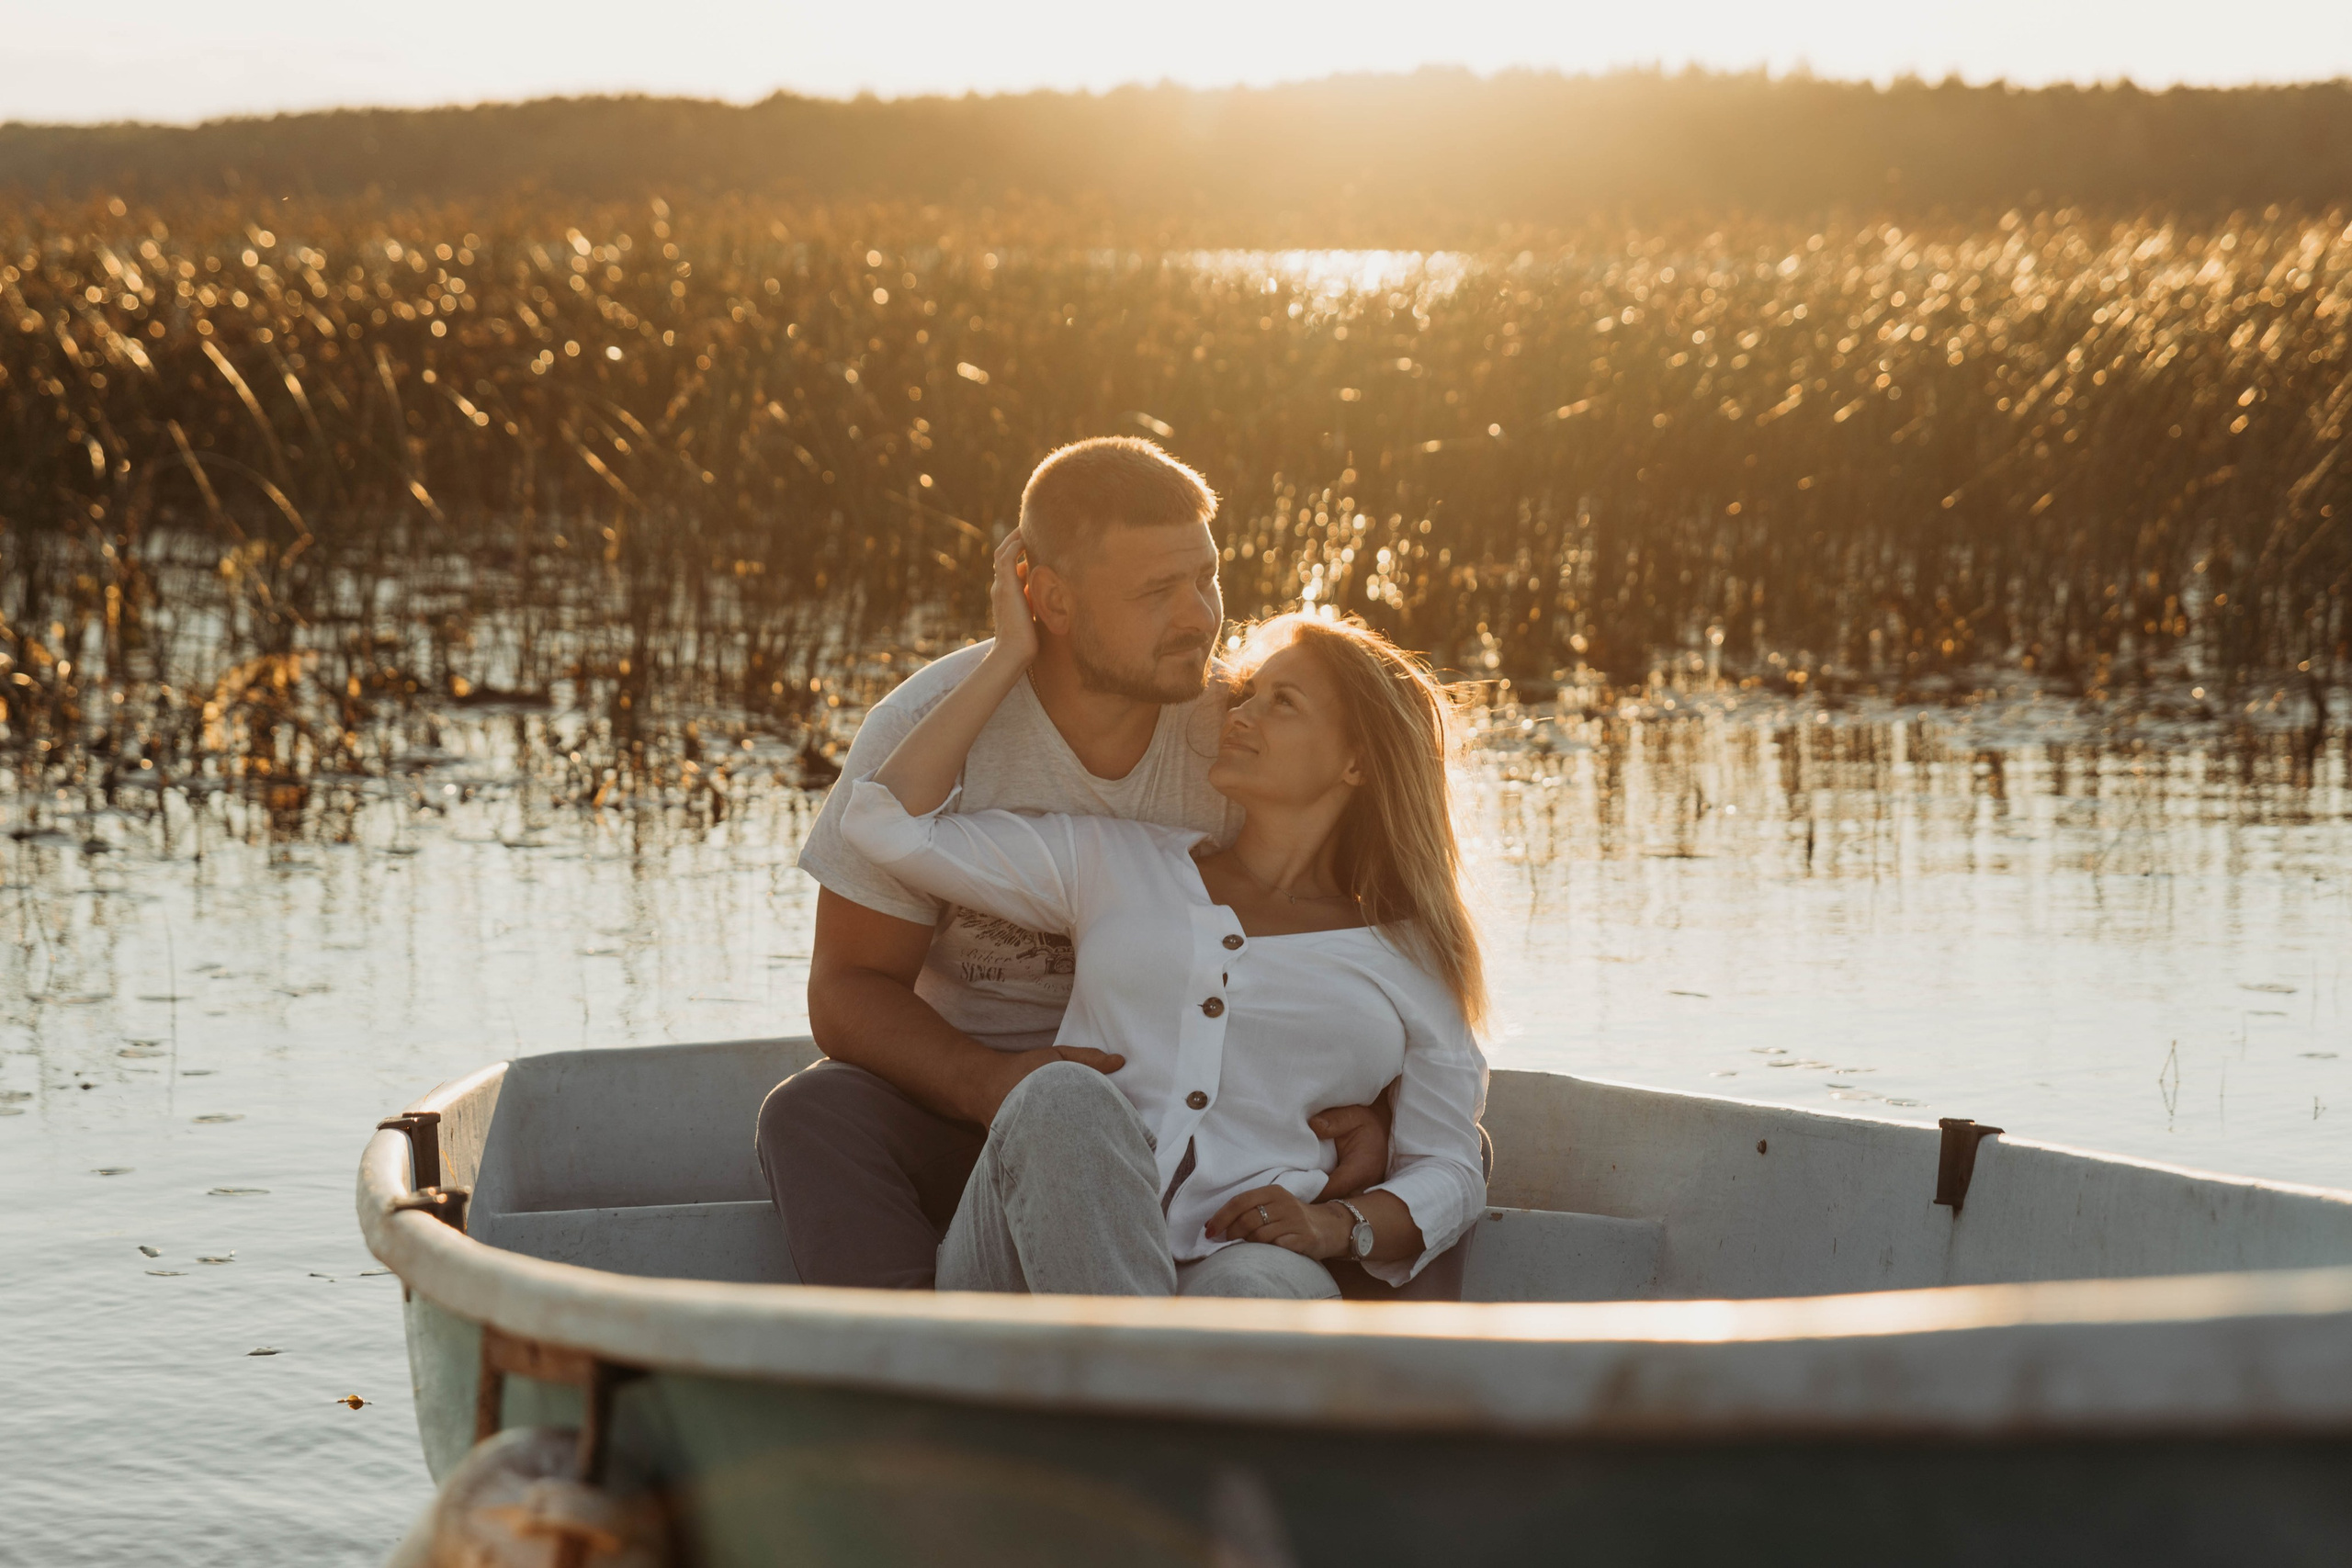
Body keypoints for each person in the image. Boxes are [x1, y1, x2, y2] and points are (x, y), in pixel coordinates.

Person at [759, 437, 1397, 1290]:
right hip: (969, 1106)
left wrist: (1385, 1111)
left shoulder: (1244, 744)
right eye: (1156, 592)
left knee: (1440, 1163)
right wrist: (988, 1081)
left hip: (1197, 1121)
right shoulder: (928, 732)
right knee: (813, 1113)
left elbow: (1366, 941)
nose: (1200, 617)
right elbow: (844, 989)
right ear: (1048, 599)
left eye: (1206, 577)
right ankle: (913, 1367)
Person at [832, 529, 1488, 1298]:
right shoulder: (1116, 862)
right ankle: (1141, 1383)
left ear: (1357, 762)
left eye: (1283, 703)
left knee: (1257, 1292)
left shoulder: (1416, 955)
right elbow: (884, 823)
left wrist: (1337, 1226)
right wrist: (1011, 654)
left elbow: (1449, 1163)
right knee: (1059, 1098)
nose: (1239, 714)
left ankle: (1122, 1397)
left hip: (1249, 1256)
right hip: (1032, 1255)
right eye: (1247, 695)